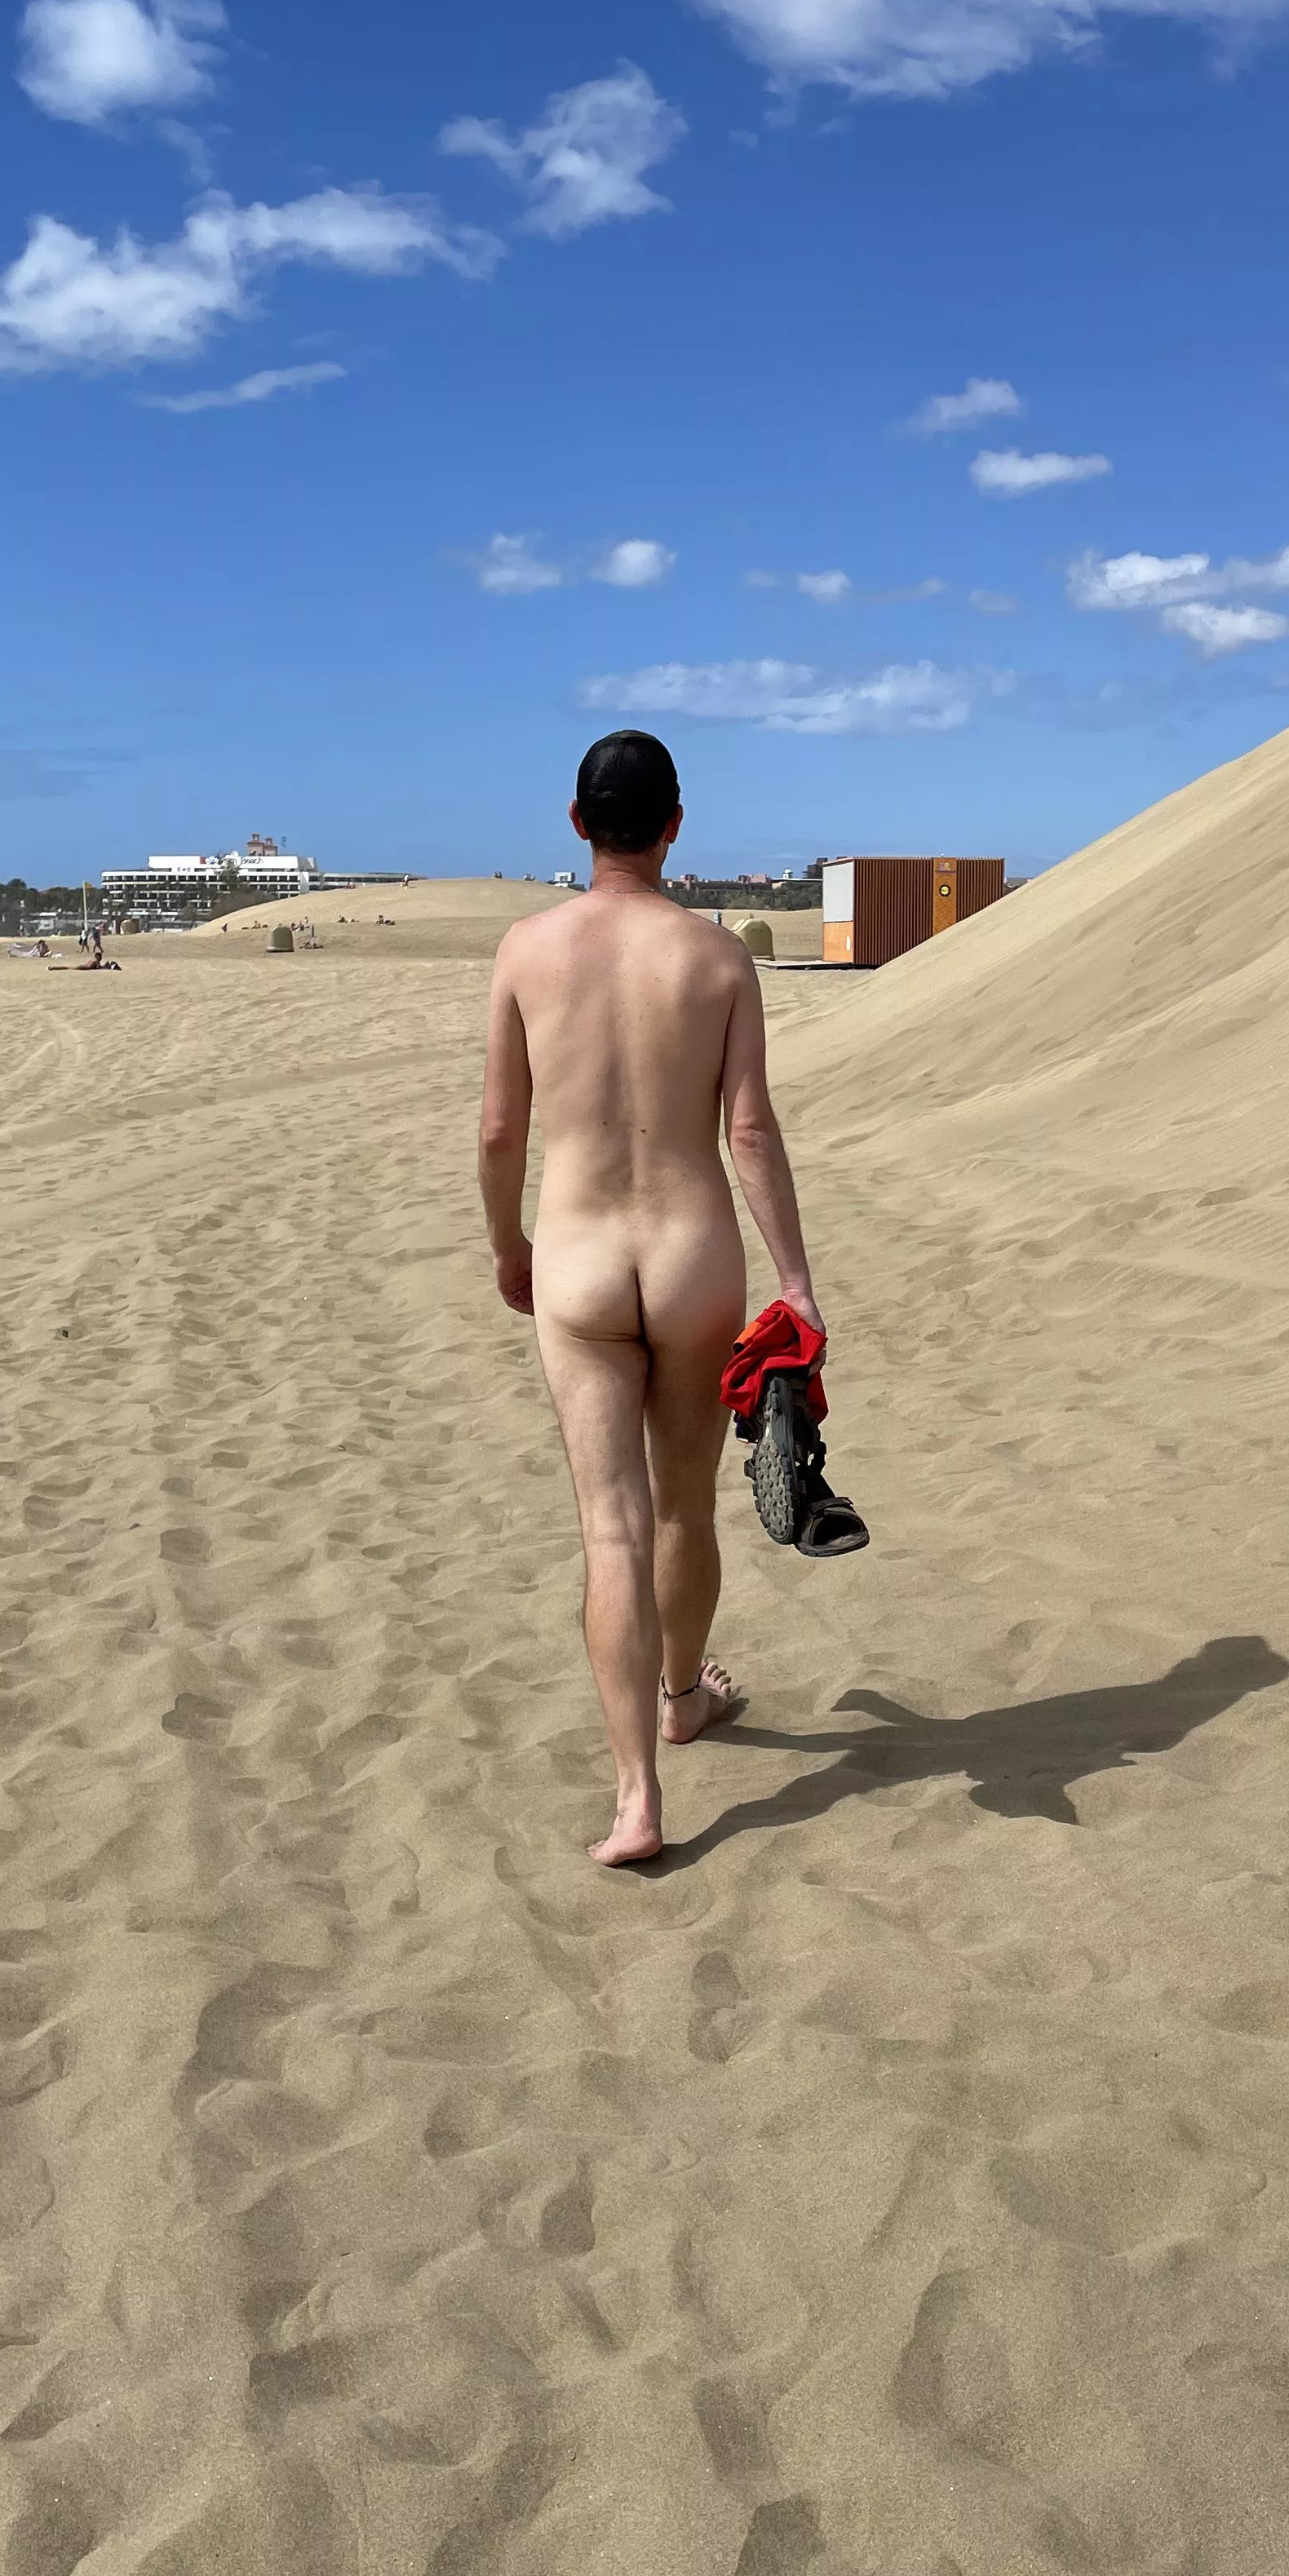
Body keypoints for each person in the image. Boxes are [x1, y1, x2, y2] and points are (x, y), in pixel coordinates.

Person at [480, 728, 825, 1866]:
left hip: (578, 1257)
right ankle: (685, 1693)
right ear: (678, 824)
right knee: (685, 1508)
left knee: (609, 1527)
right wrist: (797, 1281)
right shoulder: (719, 961)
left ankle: (637, 1799)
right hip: (692, 1258)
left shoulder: (527, 951)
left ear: (577, 824)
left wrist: (508, 1248)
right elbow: (749, 1129)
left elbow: (498, 1129)